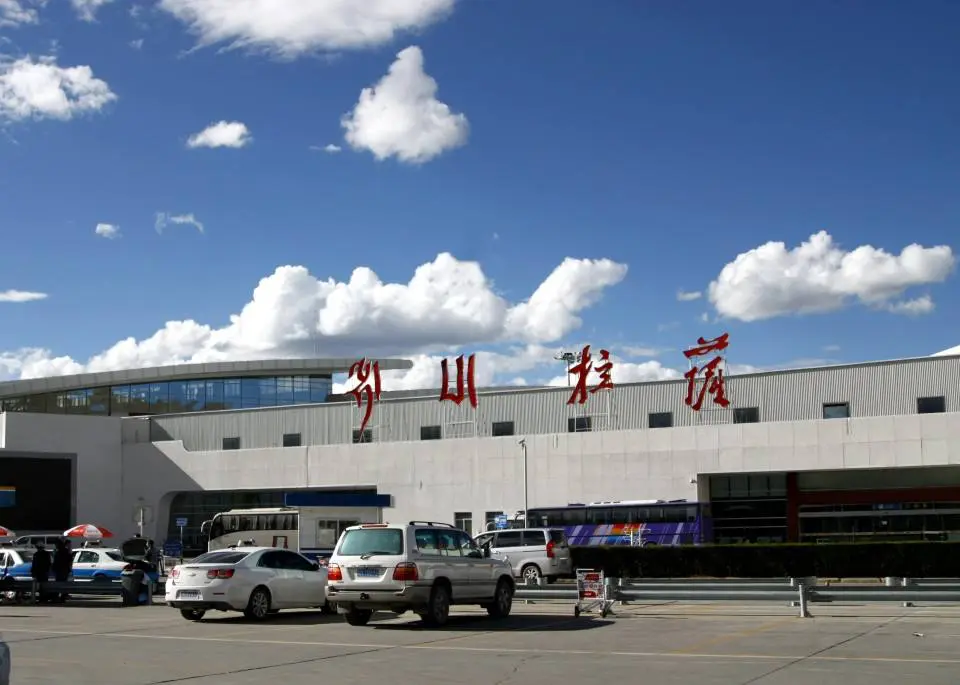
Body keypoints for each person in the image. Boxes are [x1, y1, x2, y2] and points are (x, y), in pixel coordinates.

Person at [52, 538, 72, 603]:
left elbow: (56, 562)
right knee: (63, 583)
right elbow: (69, 560)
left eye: (56, 544)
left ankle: (57, 597)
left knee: (58, 583)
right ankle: (62, 597)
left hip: (60, 570)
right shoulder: (66, 551)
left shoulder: (58, 552)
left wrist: (54, 568)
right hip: (65, 570)